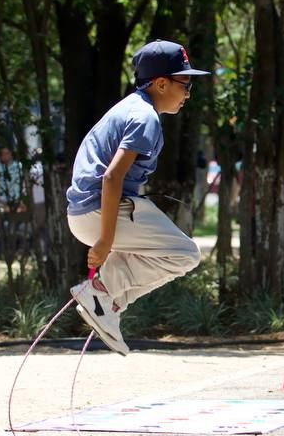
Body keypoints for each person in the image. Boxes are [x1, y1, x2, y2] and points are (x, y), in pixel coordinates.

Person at [65, 39, 208, 355]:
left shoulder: (131, 108)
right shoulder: (145, 117)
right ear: (160, 83)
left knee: (158, 252)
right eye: (185, 84)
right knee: (185, 254)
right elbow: (112, 176)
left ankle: (108, 306)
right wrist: (104, 240)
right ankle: (102, 293)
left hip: (85, 211)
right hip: (99, 211)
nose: (187, 93)